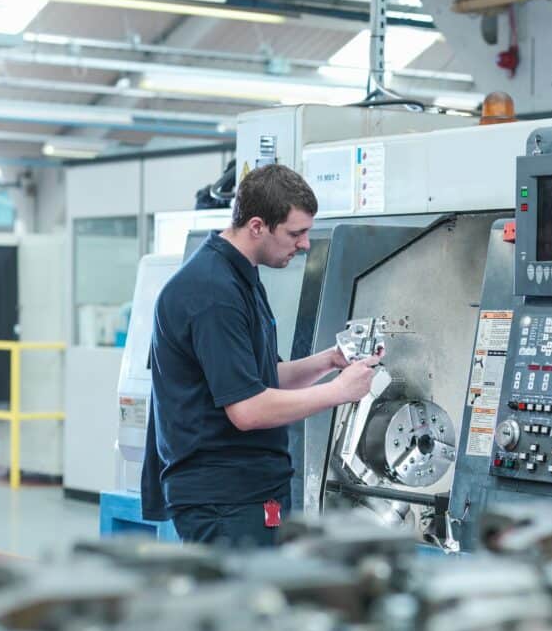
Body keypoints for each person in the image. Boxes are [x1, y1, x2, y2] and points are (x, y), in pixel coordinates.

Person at [141, 164, 381, 546]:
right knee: (242, 603)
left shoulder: (239, 278)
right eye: (296, 233)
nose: (304, 244)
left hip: (246, 493)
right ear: (257, 226)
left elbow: (260, 377)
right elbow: (248, 409)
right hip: (224, 500)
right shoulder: (212, 292)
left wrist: (329, 362)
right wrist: (340, 392)